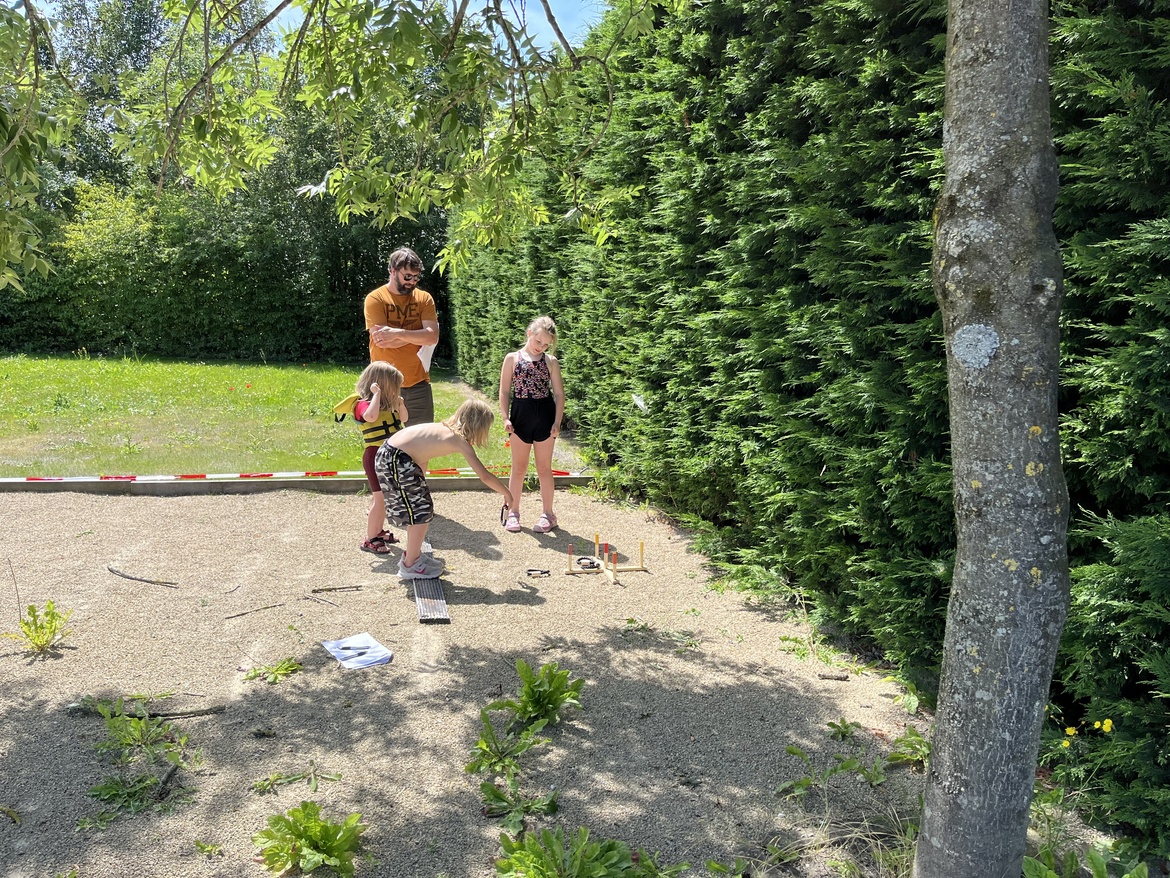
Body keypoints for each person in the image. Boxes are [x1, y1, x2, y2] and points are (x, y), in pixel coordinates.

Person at [375, 398, 514, 579]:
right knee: (420, 511)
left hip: (393, 455)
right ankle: (410, 565)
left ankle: (413, 556)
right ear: (478, 425)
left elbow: (419, 448)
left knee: (421, 509)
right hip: (396, 459)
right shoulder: (457, 440)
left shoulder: (443, 429)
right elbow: (484, 476)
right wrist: (507, 494)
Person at [497, 315, 565, 534]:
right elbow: (504, 391)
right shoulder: (512, 359)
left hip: (545, 416)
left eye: (546, 345)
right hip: (520, 415)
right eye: (538, 341)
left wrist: (557, 421)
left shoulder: (550, 362)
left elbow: (559, 394)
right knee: (518, 468)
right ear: (529, 334)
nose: (541, 347)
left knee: (544, 468)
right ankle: (513, 512)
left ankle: (548, 515)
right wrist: (505, 417)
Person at [335, 362, 409, 555]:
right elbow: (371, 416)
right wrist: (376, 395)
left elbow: (403, 420)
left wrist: (400, 405)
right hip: (375, 457)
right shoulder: (361, 404)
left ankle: (378, 531)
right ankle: (370, 539)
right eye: (394, 386)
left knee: (385, 497)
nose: (396, 390)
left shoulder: (389, 406)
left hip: (390, 456)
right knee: (380, 499)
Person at [364, 247, 440, 426]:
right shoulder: (375, 298)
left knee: (421, 439)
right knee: (383, 440)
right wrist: (417, 335)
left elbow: (432, 337)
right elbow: (381, 341)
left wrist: (397, 333)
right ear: (393, 271)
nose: (412, 282)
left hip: (418, 384)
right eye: (407, 276)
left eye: (416, 277)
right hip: (382, 385)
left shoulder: (424, 298)